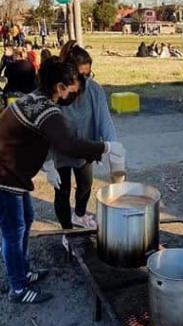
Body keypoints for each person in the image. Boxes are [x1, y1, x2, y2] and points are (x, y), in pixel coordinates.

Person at [0, 58, 125, 304]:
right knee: (13, 232)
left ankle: (23, 272)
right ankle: (18, 288)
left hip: (7, 174)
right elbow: (68, 144)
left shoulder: (36, 98)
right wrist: (105, 147)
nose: (76, 93)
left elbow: (55, 141)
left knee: (26, 220)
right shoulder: (47, 110)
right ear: (60, 87)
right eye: (73, 89)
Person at [44, 41, 119, 231]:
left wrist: (113, 147)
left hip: (84, 148)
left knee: (86, 184)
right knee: (63, 190)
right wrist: (48, 163)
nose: (85, 80)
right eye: (81, 75)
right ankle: (67, 230)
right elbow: (43, 130)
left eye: (88, 74)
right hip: (59, 151)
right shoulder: (56, 92)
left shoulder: (94, 90)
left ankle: (79, 215)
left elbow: (105, 121)